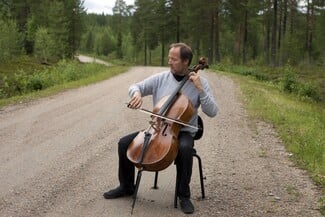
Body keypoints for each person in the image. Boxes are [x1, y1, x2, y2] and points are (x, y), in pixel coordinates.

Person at [103, 42, 218, 214]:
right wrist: (136, 94)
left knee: (185, 149)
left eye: (174, 59)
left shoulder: (200, 83)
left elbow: (212, 111)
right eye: (169, 58)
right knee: (123, 143)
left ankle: (183, 196)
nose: (169, 62)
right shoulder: (161, 78)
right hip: (158, 128)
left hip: (184, 131)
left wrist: (201, 90)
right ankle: (127, 186)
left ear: (186, 61)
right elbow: (135, 86)